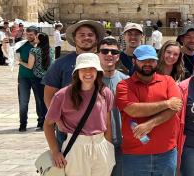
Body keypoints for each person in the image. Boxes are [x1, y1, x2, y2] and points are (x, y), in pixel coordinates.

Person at [43, 53, 116, 175]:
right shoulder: (62, 95)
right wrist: (55, 152)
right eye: (83, 69)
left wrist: (109, 147)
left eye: (92, 68)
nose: (88, 72)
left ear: (98, 71)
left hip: (101, 145)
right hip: (76, 146)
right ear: (77, 72)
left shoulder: (105, 93)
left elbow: (107, 123)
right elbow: (48, 124)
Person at [116, 45, 183, 175]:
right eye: (143, 60)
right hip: (134, 155)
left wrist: (149, 124)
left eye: (151, 60)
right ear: (134, 61)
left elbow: (175, 108)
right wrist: (167, 103)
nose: (148, 64)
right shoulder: (124, 85)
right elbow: (133, 109)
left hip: (166, 154)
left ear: (156, 62)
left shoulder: (168, 81)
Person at [43, 20, 106, 147]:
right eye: (82, 35)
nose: (86, 38)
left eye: (90, 34)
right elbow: (49, 96)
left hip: (99, 129)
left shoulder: (105, 60)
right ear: (74, 38)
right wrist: (59, 121)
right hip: (68, 130)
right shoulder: (60, 64)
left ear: (96, 38)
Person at [97, 37, 130, 175]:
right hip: (98, 143)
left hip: (122, 143)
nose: (109, 55)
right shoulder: (90, 80)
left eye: (113, 52)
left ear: (118, 56)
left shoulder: (127, 81)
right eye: (105, 51)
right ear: (98, 54)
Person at [16, 26, 45, 131]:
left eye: (31, 35)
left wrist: (20, 62)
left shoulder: (42, 46)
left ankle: (41, 122)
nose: (28, 37)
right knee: (23, 101)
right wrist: (4, 46)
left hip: (38, 78)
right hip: (23, 77)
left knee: (40, 101)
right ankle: (23, 124)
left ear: (36, 35)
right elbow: (9, 53)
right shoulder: (22, 45)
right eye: (27, 34)